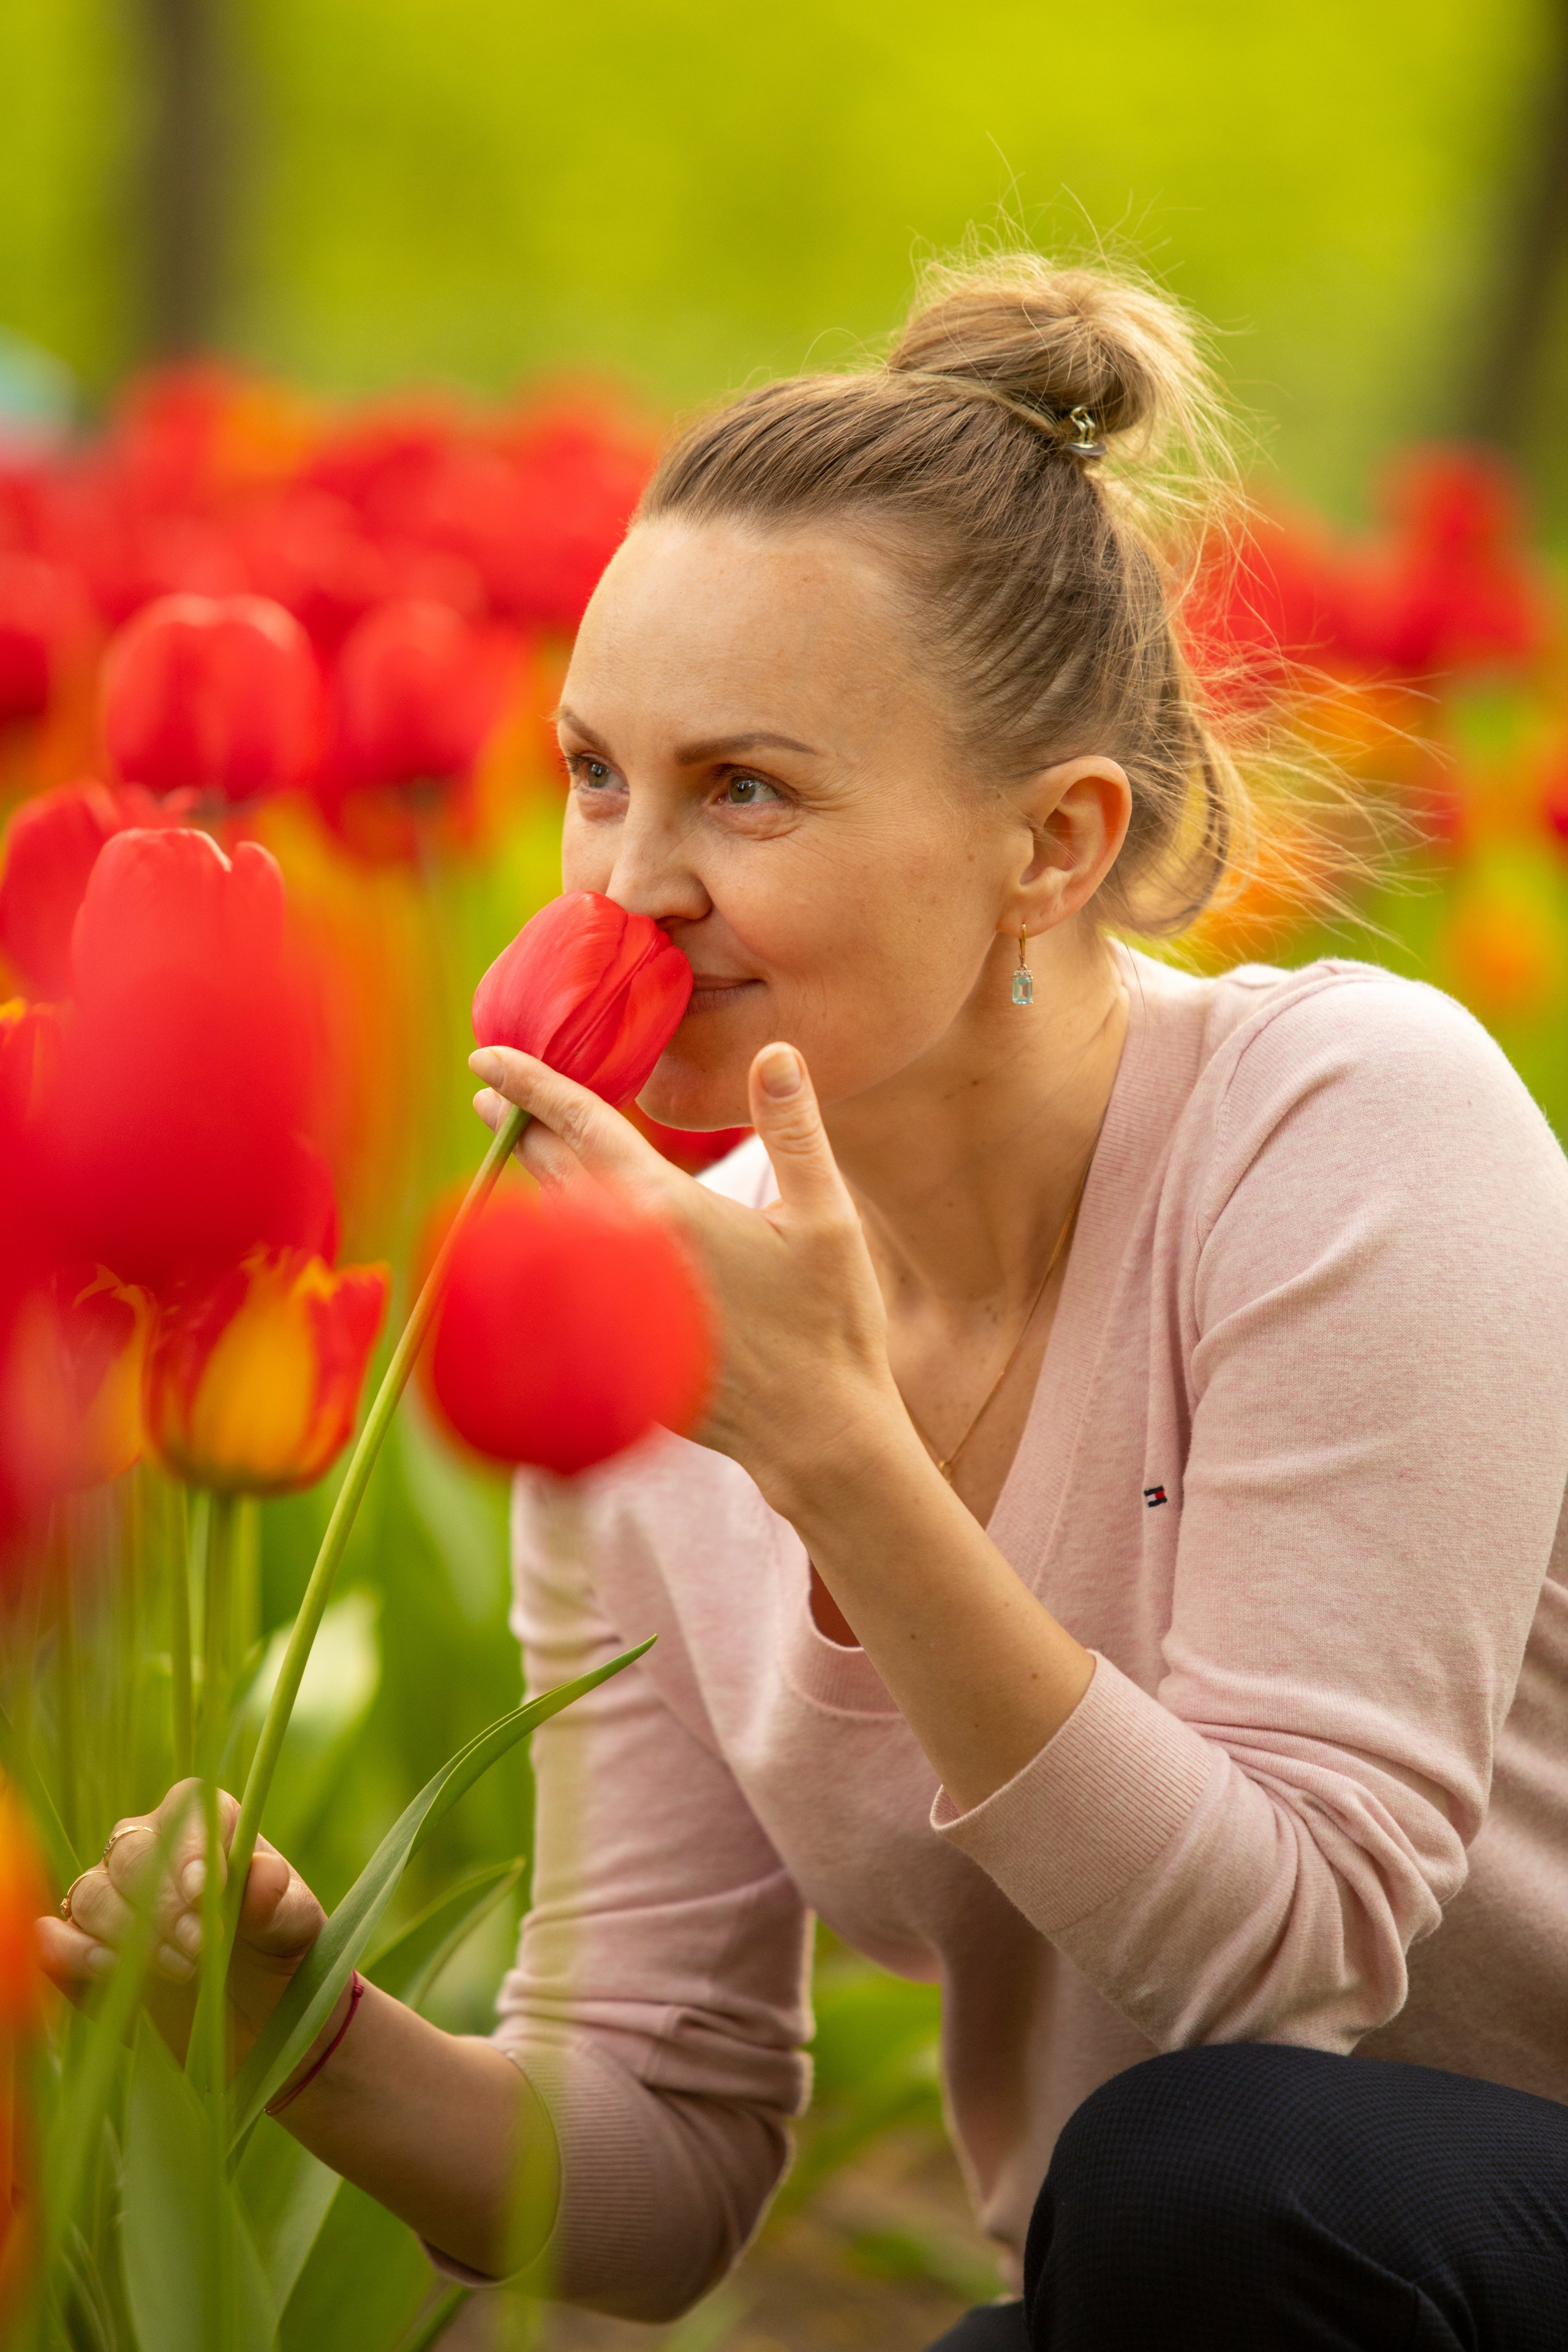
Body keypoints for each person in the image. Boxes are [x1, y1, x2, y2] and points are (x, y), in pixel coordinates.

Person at [39, 254, 1568, 2350]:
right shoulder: (654, 1328)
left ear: (1055, 847)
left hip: (1426, 2209)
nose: (627, 881)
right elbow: (660, 2167)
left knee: (1207, 2172)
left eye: (743, 790)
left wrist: (833, 1448)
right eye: (596, 774)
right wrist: (308, 2034)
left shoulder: (1347, 1124)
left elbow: (1288, 1969)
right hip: (1183, 2293)